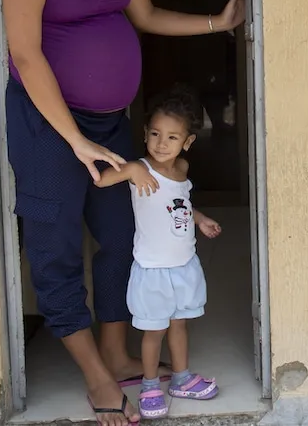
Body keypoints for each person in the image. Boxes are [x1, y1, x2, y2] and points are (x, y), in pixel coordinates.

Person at [2, 0, 244, 426]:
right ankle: (93, 373)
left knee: (121, 239)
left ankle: (115, 347)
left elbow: (146, 15)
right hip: (48, 125)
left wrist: (219, 23)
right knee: (55, 246)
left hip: (111, 122)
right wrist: (76, 141)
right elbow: (26, 56)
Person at [95, 85, 222, 419]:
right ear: (145, 134)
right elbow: (101, 180)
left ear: (188, 142)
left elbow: (178, 204)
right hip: (152, 269)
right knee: (154, 332)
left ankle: (181, 378)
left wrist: (199, 219)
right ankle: (150, 385)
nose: (161, 144)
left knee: (180, 325)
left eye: (172, 138)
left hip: (183, 265)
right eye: (155, 134)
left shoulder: (181, 170)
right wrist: (131, 169)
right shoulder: (140, 169)